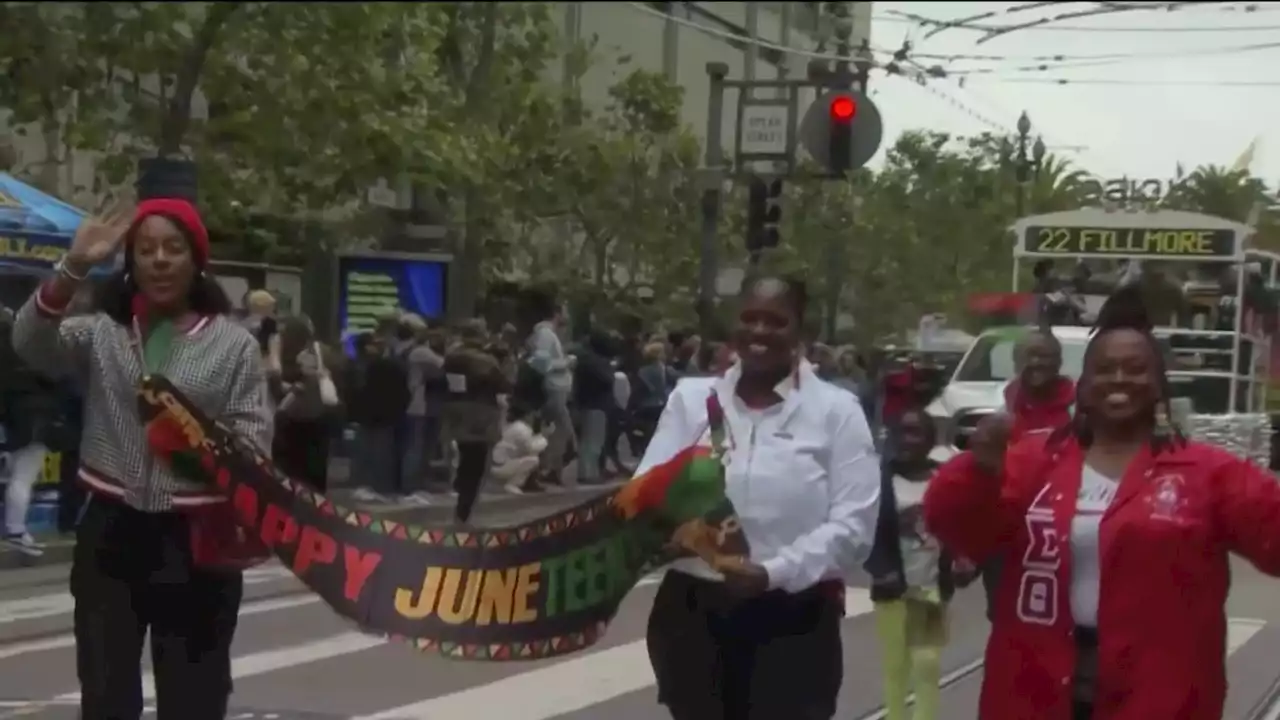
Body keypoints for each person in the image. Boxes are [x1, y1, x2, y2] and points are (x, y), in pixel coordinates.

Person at [922, 285, 1280, 720]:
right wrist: (976, 471)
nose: (1120, 379)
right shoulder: (1034, 460)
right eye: (1106, 369)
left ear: (1159, 385)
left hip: (1159, 696)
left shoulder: (1207, 472)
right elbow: (956, 525)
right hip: (1032, 689)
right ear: (1083, 386)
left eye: (1135, 369)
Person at [12, 200, 271, 719]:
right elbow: (30, 342)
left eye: (173, 248)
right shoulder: (102, 333)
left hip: (198, 539)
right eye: (145, 249)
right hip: (112, 534)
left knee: (193, 698)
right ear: (130, 262)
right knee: (106, 696)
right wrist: (74, 266)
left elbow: (254, 437)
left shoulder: (233, 344)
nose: (159, 260)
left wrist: (201, 443)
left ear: (197, 260)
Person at [643, 273, 881, 720]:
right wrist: (659, 532)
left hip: (794, 618)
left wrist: (772, 572)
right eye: (749, 318)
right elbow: (646, 492)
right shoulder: (690, 401)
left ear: (802, 332)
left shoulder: (837, 412)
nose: (759, 331)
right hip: (692, 615)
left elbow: (854, 529)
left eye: (776, 321)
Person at [865, 409, 972, 720]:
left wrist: (964, 558)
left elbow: (962, 525)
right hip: (893, 588)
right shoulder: (879, 480)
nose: (908, 440)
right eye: (902, 432)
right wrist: (879, 568)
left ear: (931, 440)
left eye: (916, 433)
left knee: (927, 663)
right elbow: (862, 532)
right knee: (896, 665)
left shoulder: (945, 478)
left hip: (931, 588)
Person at [979, 328, 1075, 619]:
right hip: (1009, 526)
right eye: (1027, 356)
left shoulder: (1081, 406)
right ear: (1015, 362)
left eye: (1043, 356)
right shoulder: (999, 404)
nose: (1035, 363)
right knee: (1004, 612)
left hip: (1060, 525)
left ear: (1058, 362)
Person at [441, 323, 510, 523]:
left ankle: (461, 488)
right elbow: (502, 384)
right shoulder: (486, 360)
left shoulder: (451, 357)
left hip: (456, 409)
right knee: (477, 462)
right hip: (481, 412)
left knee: (465, 454)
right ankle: (465, 507)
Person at [490, 400, 547, 495]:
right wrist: (543, 437)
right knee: (533, 459)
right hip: (499, 468)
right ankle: (513, 484)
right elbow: (531, 447)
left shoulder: (509, 425)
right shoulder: (521, 428)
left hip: (493, 465)